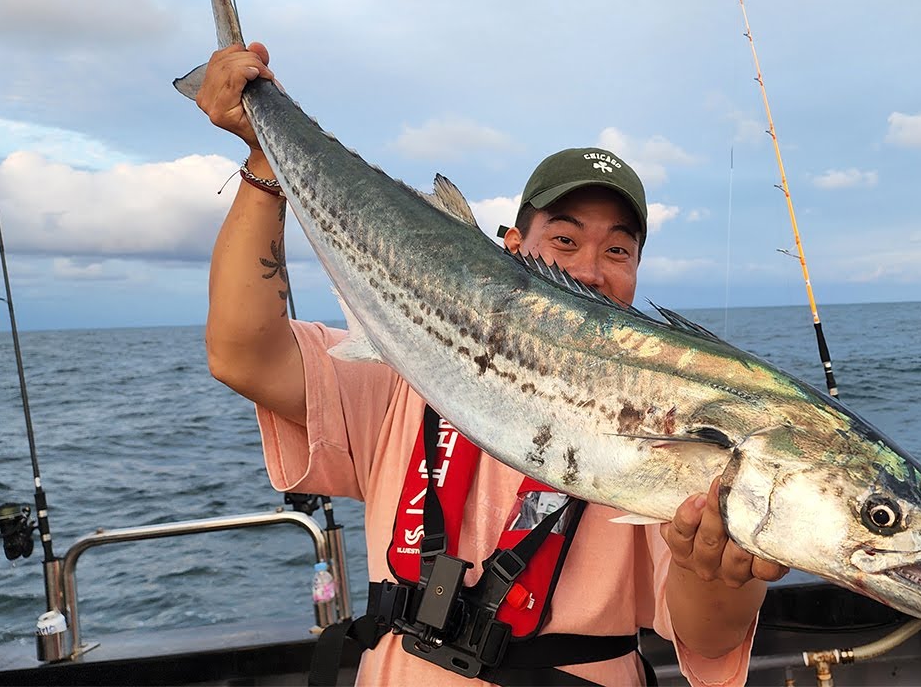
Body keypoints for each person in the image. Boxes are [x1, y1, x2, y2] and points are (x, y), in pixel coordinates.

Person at [196, 42, 787, 686]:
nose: (591, 269)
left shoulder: (666, 418)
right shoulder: (408, 366)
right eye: (564, 239)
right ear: (511, 246)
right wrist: (264, 161)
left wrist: (717, 570)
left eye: (618, 251)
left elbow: (707, 636)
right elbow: (242, 353)